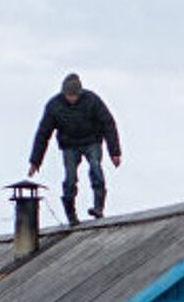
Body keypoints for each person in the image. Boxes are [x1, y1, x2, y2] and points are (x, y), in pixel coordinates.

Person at [28, 73, 121, 225]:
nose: (72, 99)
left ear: (80, 93)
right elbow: (43, 134)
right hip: (69, 145)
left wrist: (115, 152)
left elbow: (108, 124)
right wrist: (35, 161)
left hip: (92, 141)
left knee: (96, 168)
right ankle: (71, 214)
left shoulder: (92, 100)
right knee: (70, 178)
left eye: (74, 96)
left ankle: (98, 207)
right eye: (68, 96)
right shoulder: (54, 106)